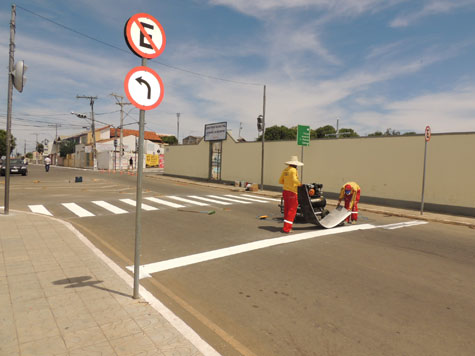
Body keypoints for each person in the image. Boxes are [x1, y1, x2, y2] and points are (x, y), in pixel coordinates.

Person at [278, 155, 303, 233]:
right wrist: (299, 184)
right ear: (295, 164)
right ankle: (287, 228)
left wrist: (287, 183)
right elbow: (294, 179)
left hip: (285, 191)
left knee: (286, 209)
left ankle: (285, 226)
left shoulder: (285, 170)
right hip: (292, 192)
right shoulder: (293, 170)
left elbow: (280, 181)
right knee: (292, 210)